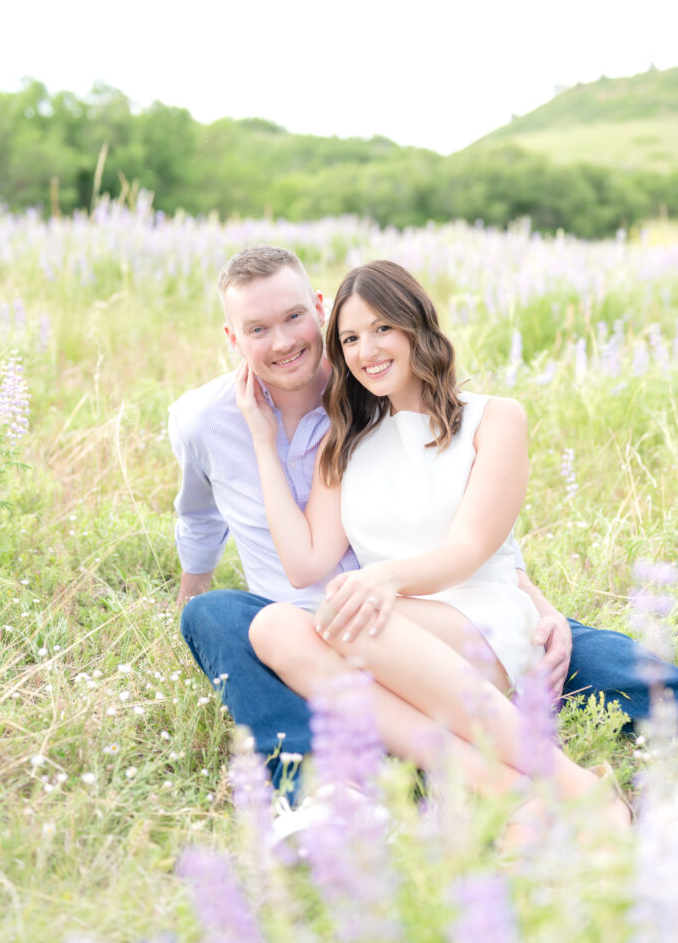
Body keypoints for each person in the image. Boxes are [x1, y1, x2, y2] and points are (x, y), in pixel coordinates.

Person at [172, 245, 678, 797]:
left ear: (318, 310)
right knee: (243, 620)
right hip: (347, 623)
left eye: (295, 317)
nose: (284, 341)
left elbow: (475, 544)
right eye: (352, 339)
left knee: (622, 673)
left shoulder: (477, 417)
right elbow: (255, 544)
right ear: (233, 339)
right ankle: (439, 786)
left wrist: (540, 604)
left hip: (434, 612)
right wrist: (261, 442)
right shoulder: (319, 436)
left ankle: (539, 772)